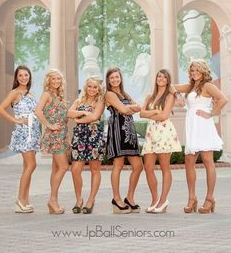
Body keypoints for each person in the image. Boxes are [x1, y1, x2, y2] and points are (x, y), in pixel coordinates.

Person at [172, 59, 228, 213]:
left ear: (203, 71)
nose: (194, 73)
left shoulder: (208, 86)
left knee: (207, 161)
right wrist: (178, 96)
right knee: (189, 161)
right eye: (192, 70)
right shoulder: (190, 86)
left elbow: (223, 99)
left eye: (197, 70)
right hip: (191, 125)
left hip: (203, 125)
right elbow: (171, 86)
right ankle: (192, 198)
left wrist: (211, 113)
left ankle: (210, 198)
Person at [0, 65, 40, 213]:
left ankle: (25, 200)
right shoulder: (15, 93)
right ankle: (20, 199)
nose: (23, 78)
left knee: (27, 166)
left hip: (33, 132)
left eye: (26, 75)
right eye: (20, 75)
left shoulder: (30, 93)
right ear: (16, 78)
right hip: (23, 133)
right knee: (31, 165)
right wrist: (15, 120)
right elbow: (0, 109)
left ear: (29, 77)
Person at [140, 69, 181, 214]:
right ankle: (155, 199)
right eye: (159, 76)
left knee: (165, 167)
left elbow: (164, 116)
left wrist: (151, 114)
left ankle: (163, 200)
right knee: (148, 167)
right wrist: (154, 113)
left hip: (164, 133)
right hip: (151, 133)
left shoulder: (170, 96)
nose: (161, 78)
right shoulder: (149, 96)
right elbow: (141, 113)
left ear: (168, 80)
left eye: (164, 77)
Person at [105, 67, 143, 214]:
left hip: (130, 132)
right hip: (117, 131)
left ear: (120, 78)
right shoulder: (109, 94)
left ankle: (130, 197)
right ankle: (116, 199)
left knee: (138, 166)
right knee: (118, 165)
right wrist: (130, 107)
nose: (115, 79)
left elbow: (138, 107)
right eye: (112, 78)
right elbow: (124, 110)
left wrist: (129, 108)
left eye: (117, 77)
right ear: (108, 80)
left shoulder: (124, 93)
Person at [67, 77, 105, 214]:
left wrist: (78, 119)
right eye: (90, 86)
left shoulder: (100, 101)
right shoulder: (79, 101)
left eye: (95, 87)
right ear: (86, 87)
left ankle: (90, 200)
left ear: (98, 89)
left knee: (95, 169)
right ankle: (79, 199)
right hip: (79, 137)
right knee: (75, 169)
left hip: (95, 136)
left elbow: (94, 117)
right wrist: (82, 113)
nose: (92, 89)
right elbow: (68, 113)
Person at [35, 69, 70, 214]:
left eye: (58, 79)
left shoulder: (59, 95)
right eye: (53, 79)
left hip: (61, 135)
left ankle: (54, 202)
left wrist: (66, 135)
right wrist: (49, 125)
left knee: (56, 168)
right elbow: (37, 111)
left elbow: (63, 116)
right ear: (48, 80)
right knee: (63, 167)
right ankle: (52, 200)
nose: (56, 81)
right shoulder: (47, 94)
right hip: (54, 135)